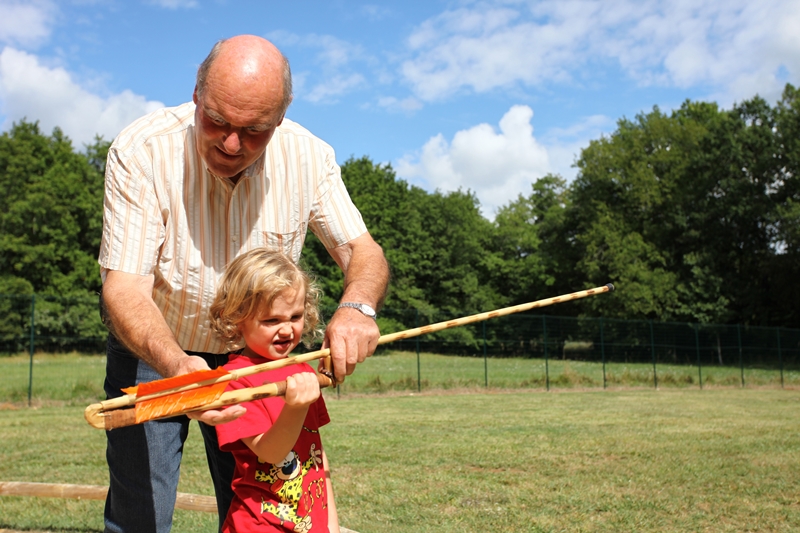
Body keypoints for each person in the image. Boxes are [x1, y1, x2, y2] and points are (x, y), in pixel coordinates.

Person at [98, 34, 389, 533]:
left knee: (266, 508)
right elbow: (123, 288)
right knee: (139, 513)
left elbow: (364, 253)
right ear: (196, 93)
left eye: (254, 130)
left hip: (258, 365)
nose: (231, 144)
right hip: (157, 354)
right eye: (217, 121)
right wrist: (179, 368)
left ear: (281, 117)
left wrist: (357, 307)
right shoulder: (141, 150)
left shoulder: (309, 156)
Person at [208, 248, 338, 533]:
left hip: (310, 523)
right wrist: (296, 406)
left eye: (295, 316)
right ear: (236, 317)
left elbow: (317, 454)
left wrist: (331, 525)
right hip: (259, 524)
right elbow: (270, 451)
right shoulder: (233, 381)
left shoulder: (303, 371)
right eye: (272, 320)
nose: (287, 330)